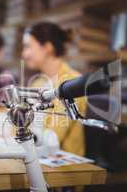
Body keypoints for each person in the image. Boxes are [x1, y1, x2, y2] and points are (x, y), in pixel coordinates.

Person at [22, 22, 86, 156]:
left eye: (27, 47)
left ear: (47, 48)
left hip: (61, 165)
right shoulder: (38, 83)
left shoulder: (73, 83)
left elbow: (53, 138)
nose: (24, 54)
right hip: (36, 155)